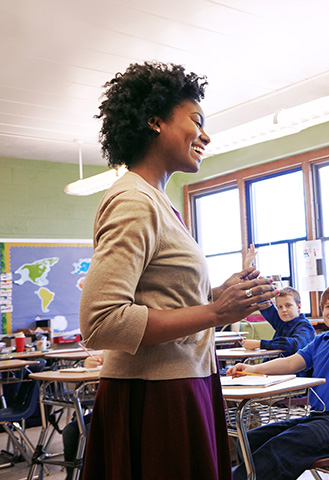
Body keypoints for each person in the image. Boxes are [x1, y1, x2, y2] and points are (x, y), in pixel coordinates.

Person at [79, 61, 277, 480]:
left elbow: (161, 300)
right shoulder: (135, 201)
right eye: (196, 121)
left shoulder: (158, 201)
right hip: (154, 396)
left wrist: (213, 296)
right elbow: (101, 322)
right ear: (154, 121)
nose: (205, 135)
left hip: (183, 382)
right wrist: (215, 312)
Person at [227, 225, 329, 480]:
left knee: (280, 447)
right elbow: (290, 363)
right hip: (318, 417)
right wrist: (252, 368)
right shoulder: (321, 341)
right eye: (328, 306)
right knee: (250, 440)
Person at [240, 287, 315, 361]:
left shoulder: (305, 326)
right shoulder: (282, 322)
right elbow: (266, 307)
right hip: (274, 369)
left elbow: (294, 345)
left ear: (298, 307)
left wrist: (260, 344)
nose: (284, 310)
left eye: (288, 305)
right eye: (280, 307)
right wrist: (260, 290)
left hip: (295, 372)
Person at [62, 352, 103, 480]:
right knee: (70, 431)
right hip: (106, 407)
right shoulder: (113, 348)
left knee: (90, 431)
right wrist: (90, 361)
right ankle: (73, 477)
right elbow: (102, 356)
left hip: (127, 407)